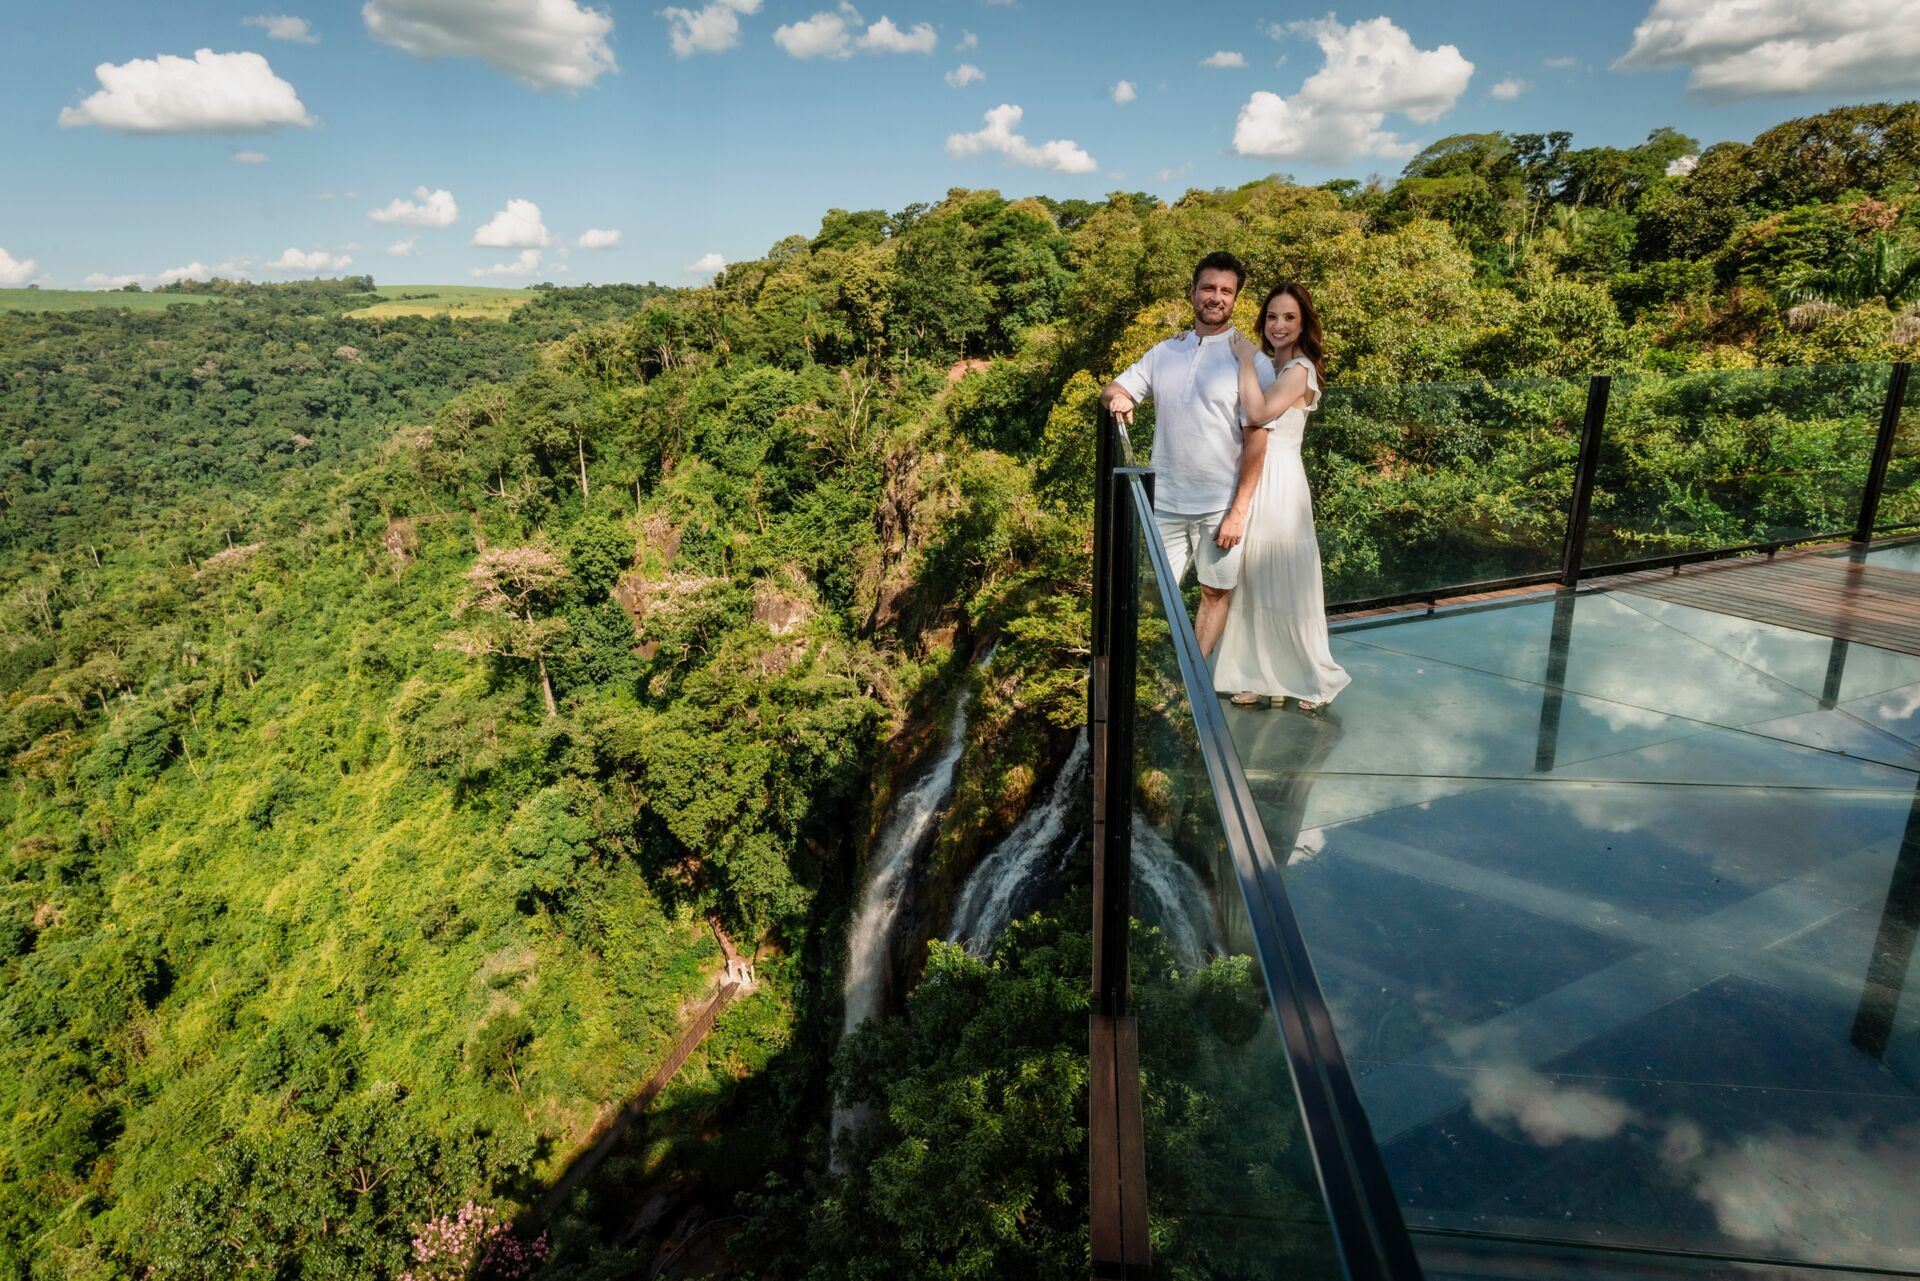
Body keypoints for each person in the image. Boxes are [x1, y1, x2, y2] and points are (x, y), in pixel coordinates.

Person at [1100, 251, 1275, 657]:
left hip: (1219, 506)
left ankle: (1192, 675)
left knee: (1214, 591)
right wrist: (1119, 398)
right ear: (1192, 291)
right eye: (1209, 288)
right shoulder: (1165, 352)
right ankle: (1160, 673)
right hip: (1164, 503)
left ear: (1235, 299)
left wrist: (1238, 511)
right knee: (1150, 598)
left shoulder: (1252, 361)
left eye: (1226, 291)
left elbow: (1257, 441)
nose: (1216, 297)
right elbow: (1112, 388)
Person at [1212, 283, 1350, 710]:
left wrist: (1245, 359)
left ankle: (1313, 678)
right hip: (1252, 476)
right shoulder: (1270, 364)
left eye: (1289, 317)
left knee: (1286, 580)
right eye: (1272, 316)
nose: (1278, 325)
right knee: (1253, 580)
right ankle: (1255, 674)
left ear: (1303, 323)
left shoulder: (1299, 370)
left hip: (1282, 482)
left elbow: (1257, 413)